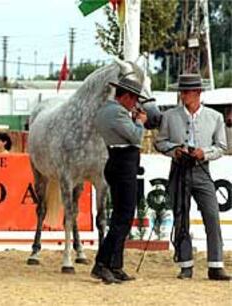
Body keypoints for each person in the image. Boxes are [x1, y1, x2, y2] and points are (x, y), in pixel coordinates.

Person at [155, 74, 231, 281]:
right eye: (181, 91)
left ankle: (216, 264)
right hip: (179, 169)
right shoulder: (170, 116)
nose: (183, 95)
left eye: (187, 92)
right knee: (181, 218)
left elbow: (221, 147)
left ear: (198, 93)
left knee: (212, 216)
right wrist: (175, 150)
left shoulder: (214, 117)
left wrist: (204, 153)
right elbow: (160, 142)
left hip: (202, 169)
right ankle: (185, 264)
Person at [91, 77, 148, 284]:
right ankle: (102, 263)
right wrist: (139, 122)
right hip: (124, 165)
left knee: (120, 216)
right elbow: (135, 137)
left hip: (115, 161)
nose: (135, 104)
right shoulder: (118, 112)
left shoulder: (106, 110)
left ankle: (115, 264)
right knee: (123, 218)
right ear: (126, 96)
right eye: (133, 100)